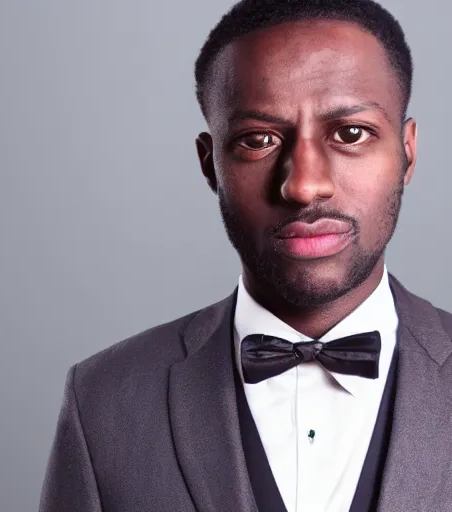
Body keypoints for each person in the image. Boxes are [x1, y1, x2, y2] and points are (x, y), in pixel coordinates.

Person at [39, 0, 452, 511]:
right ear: (210, 165)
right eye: (259, 140)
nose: (303, 185)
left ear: (407, 152)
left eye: (350, 134)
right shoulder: (103, 401)